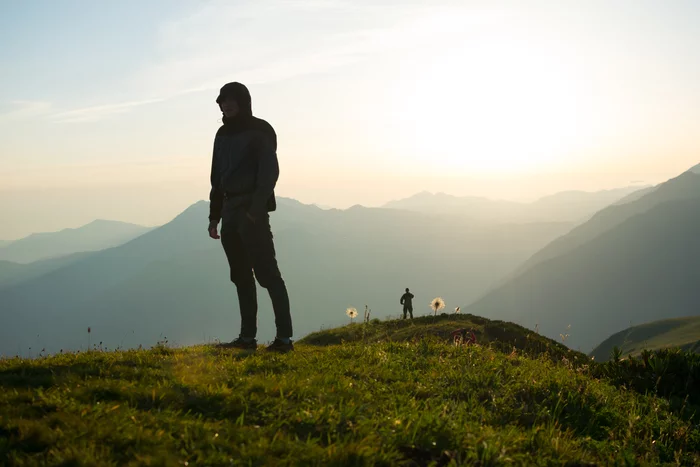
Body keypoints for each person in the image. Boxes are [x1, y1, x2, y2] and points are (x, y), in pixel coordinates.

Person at [208, 82, 293, 353]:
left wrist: (255, 209)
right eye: (222, 100)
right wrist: (214, 216)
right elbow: (216, 178)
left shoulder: (260, 130)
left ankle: (284, 339)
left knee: (268, 275)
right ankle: (247, 339)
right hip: (230, 211)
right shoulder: (221, 134)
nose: (226, 104)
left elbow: (269, 173)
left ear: (244, 101)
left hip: (250, 210)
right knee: (241, 276)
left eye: (231, 99)